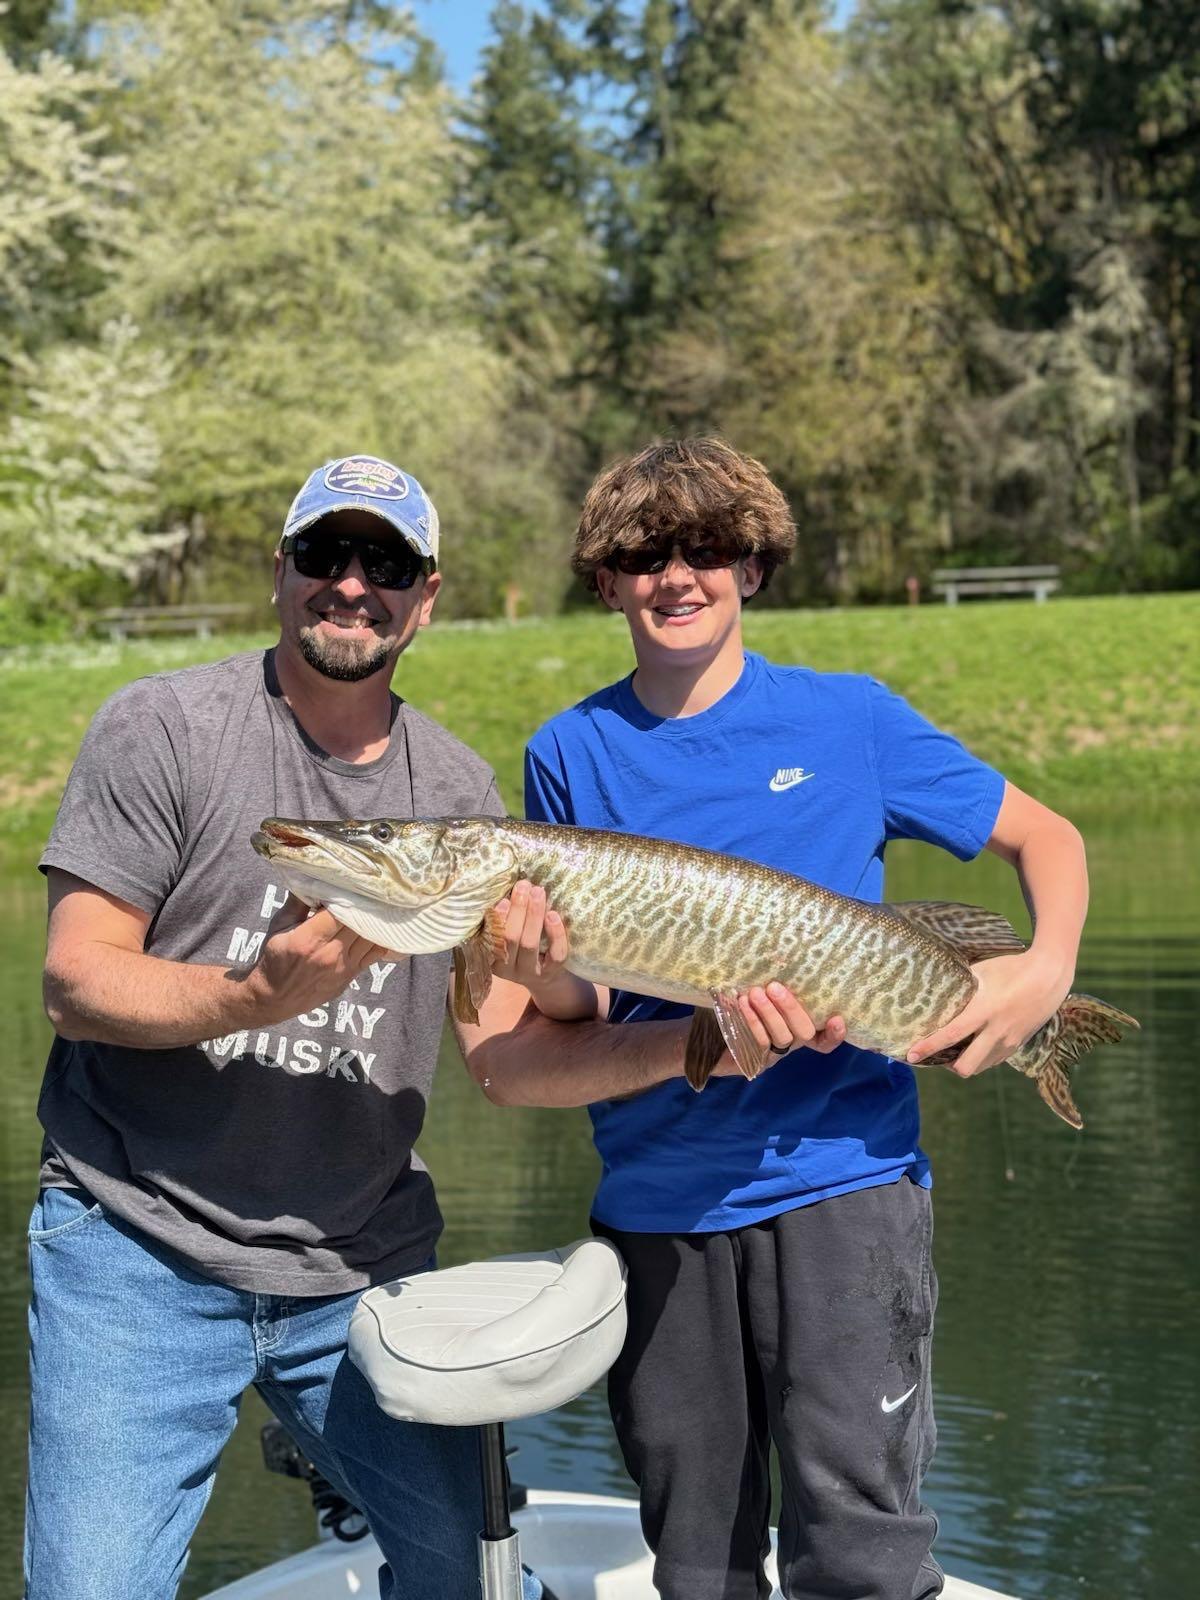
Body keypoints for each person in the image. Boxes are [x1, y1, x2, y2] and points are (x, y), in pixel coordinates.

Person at [459, 437, 1089, 1600]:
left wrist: (1044, 972)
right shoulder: (568, 752)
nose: (677, 576)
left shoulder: (850, 718)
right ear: (607, 581)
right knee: (698, 1561)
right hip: (663, 1206)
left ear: (752, 566)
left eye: (707, 549)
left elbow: (1047, 838)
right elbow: (580, 1007)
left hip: (845, 1189)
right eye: (645, 555)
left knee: (857, 1550)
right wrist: (539, 973)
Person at [27, 454, 540, 1600]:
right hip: (136, 1241)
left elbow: (509, 1053)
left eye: (386, 564)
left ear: (426, 597)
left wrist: (699, 1040)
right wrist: (253, 997)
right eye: (325, 553)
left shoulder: (460, 792)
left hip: (358, 1259)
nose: (352, 584)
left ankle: (337, 1447)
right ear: (281, 570)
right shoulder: (166, 726)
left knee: (475, 1578)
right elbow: (74, 980)